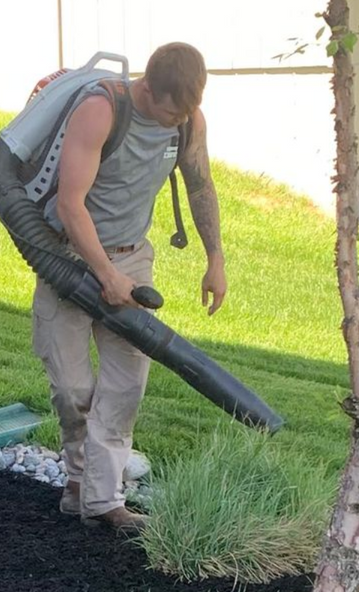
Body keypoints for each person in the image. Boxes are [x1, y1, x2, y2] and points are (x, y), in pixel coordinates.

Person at [32, 43, 228, 534]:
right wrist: (105, 275)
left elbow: (201, 186)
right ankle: (80, 483)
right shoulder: (101, 111)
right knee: (73, 387)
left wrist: (215, 260)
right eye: (167, 111)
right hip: (68, 258)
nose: (173, 122)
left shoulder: (188, 122)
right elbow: (71, 204)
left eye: (182, 113)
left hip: (132, 258)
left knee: (125, 386)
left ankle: (102, 501)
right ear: (145, 87)